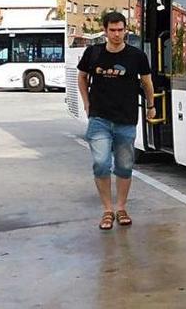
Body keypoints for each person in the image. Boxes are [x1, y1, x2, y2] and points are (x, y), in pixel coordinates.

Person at [77, 12, 155, 230]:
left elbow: (147, 84)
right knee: (101, 163)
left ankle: (121, 208)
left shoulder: (136, 56)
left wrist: (151, 106)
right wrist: (86, 103)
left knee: (124, 166)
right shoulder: (93, 53)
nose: (117, 34)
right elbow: (81, 77)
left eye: (121, 30)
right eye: (112, 30)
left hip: (126, 119)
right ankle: (107, 210)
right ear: (105, 31)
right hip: (99, 119)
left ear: (125, 31)